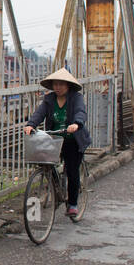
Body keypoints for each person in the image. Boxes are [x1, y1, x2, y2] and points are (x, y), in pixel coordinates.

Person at [24, 67, 91, 217]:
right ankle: (56, 189)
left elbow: (81, 111)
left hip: (73, 140)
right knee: (46, 163)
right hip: (55, 139)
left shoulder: (76, 98)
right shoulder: (49, 99)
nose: (58, 87)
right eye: (55, 84)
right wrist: (31, 124)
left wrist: (76, 124)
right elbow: (39, 113)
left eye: (61, 84)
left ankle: (73, 204)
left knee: (72, 171)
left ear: (68, 85)